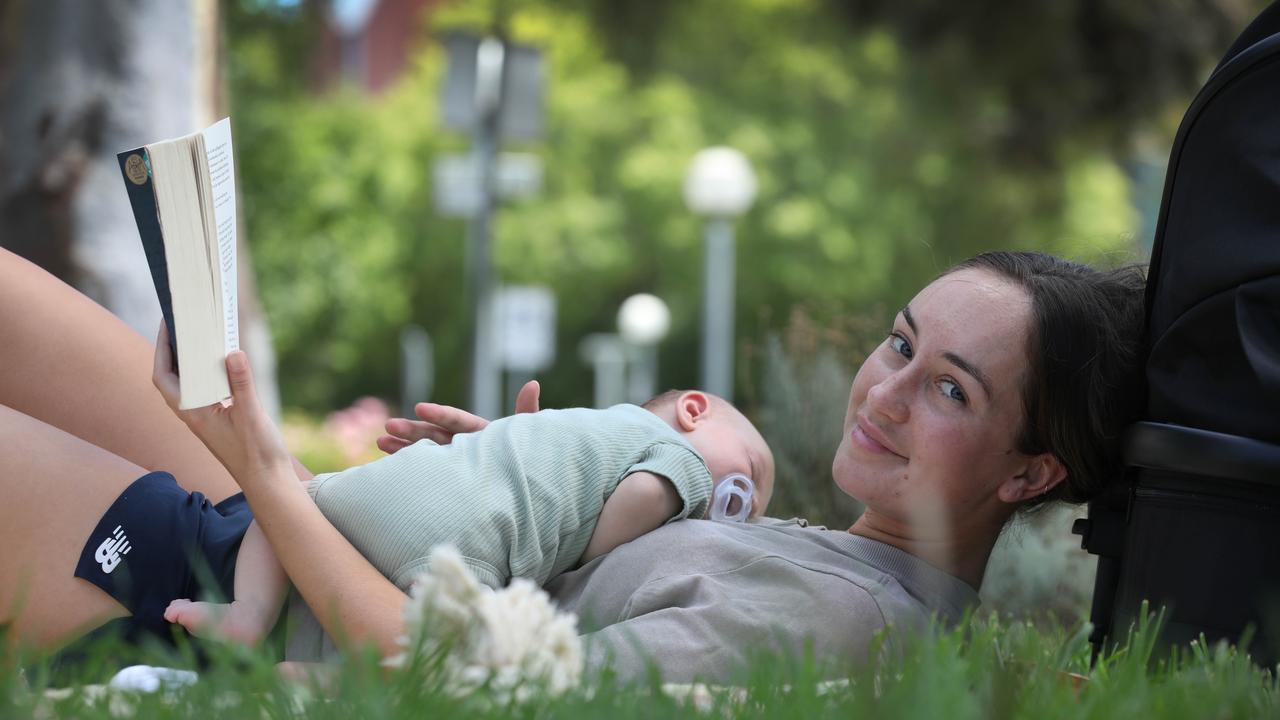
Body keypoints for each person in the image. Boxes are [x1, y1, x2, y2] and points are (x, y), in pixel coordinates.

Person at [0, 247, 1145, 683]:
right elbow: (536, 603)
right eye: (898, 343)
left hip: (217, 610)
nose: (884, 393)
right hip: (280, 541)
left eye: (949, 389)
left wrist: (266, 470)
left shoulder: (840, 627)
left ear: (1028, 474)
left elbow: (469, 691)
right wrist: (501, 482)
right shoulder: (820, 549)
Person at [160, 388, 775, 646]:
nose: (733, 513)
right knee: (451, 654)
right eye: (746, 483)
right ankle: (316, 679)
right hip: (463, 551)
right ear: (694, 411)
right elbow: (642, 496)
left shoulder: (593, 420)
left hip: (379, 491)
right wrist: (594, 550)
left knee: (293, 502)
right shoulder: (681, 460)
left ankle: (245, 613)